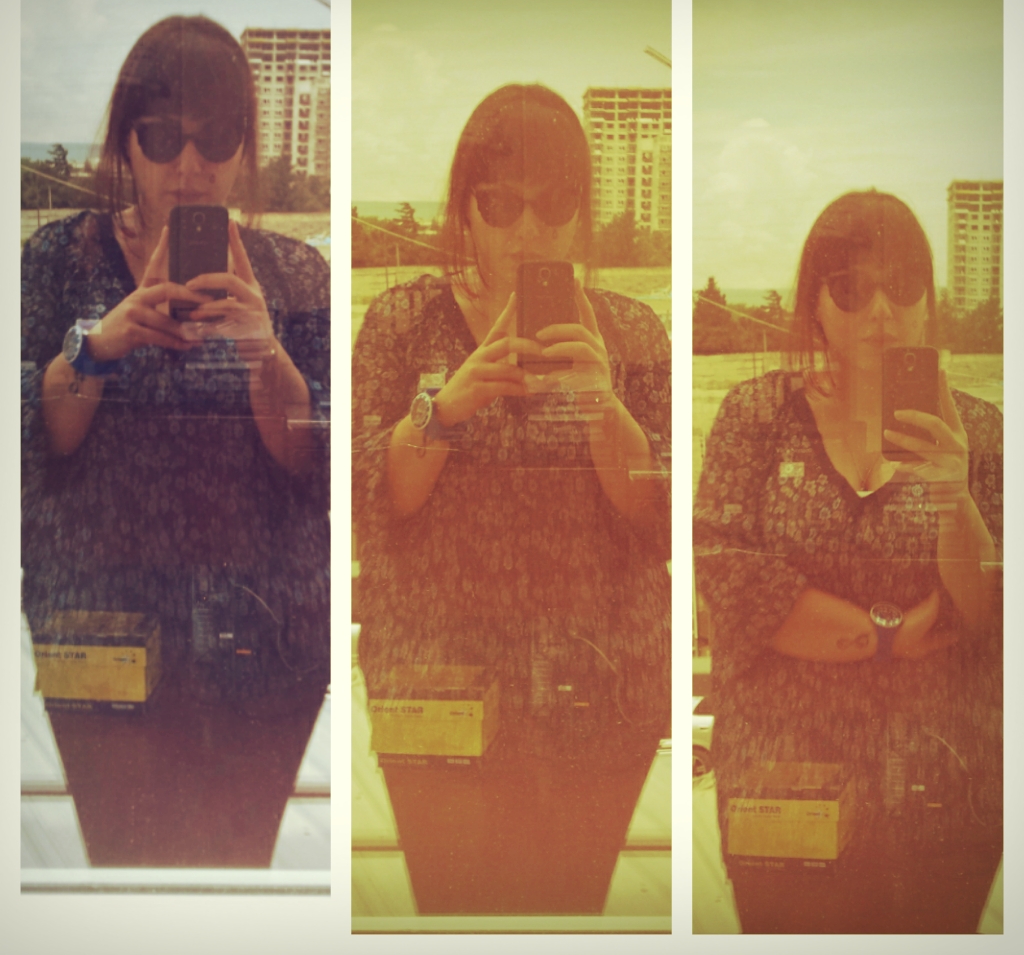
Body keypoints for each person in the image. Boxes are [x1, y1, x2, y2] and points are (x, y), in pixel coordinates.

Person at [352, 83, 671, 913]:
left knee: (568, 910)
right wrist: (446, 406)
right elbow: (371, 502)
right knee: (454, 909)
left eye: (554, 202)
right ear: (465, 210)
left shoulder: (633, 334)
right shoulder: (403, 322)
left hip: (600, 693)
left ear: (582, 210)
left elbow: (661, 520)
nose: (528, 228)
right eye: (501, 204)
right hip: (435, 688)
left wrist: (605, 408)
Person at [21, 14, 330, 823]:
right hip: (99, 639)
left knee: (242, 864)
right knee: (118, 860)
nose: (190, 166)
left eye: (216, 136)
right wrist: (99, 346)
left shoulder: (297, 274)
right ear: (126, 144)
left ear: (244, 146)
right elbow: (36, 444)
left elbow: (315, 464)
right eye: (161, 137)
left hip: (266, 649)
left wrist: (266, 355)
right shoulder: (58, 261)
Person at [693, 190, 1002, 933]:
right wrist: (889, 636)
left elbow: (993, 612)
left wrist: (953, 497)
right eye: (851, 289)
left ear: (928, 301)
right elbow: (727, 577)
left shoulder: (982, 433)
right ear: (816, 305)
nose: (881, 311)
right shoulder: (757, 416)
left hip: (942, 791)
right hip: (782, 784)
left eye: (901, 286)